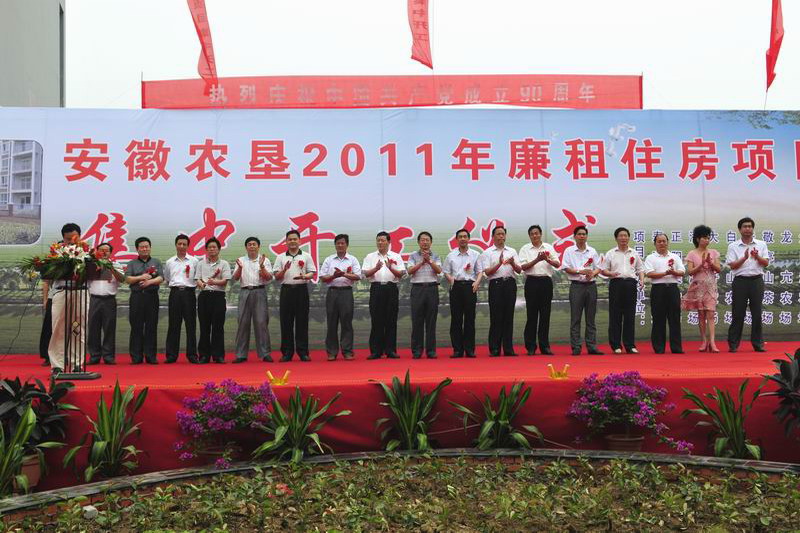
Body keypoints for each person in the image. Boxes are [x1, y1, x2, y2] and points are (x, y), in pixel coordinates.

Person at [726, 217, 769, 353]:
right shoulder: (733, 246)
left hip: (756, 281)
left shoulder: (761, 244)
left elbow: (766, 263)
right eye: (745, 226)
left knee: (757, 313)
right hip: (740, 282)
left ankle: (758, 344)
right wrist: (744, 258)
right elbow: (732, 266)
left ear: (753, 229)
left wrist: (757, 257)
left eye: (750, 226)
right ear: (740, 229)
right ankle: (733, 344)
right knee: (738, 313)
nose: (748, 229)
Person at [47, 223, 86, 374]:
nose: (71, 241)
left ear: (80, 237)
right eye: (68, 239)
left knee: (78, 328)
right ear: (63, 238)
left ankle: (77, 364)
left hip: (80, 293)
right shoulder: (56, 253)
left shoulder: (87, 252)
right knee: (58, 329)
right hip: (61, 292)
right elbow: (48, 273)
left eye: (74, 238)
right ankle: (57, 365)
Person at [478, 226, 522, 357]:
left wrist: (512, 263)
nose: (501, 236)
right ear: (493, 237)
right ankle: (495, 348)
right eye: (498, 234)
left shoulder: (512, 251)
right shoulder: (487, 252)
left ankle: (508, 349)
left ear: (505, 236)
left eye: (503, 234)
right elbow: (487, 272)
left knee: (509, 316)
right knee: (496, 317)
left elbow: (519, 270)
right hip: (496, 285)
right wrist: (499, 263)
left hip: (510, 284)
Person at [273, 230, 316, 362]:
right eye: (290, 239)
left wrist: (305, 276)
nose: (292, 241)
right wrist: (284, 270)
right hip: (286, 291)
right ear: (286, 242)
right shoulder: (280, 257)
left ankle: (303, 352)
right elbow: (277, 276)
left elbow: (312, 272)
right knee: (286, 322)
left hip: (301, 290)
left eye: (295, 239)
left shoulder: (306, 256)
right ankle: (287, 352)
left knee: (302, 321)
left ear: (299, 241)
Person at [362, 231, 406, 359]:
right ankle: (376, 351)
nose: (380, 242)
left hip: (391, 288)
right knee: (376, 320)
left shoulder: (396, 256)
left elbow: (401, 274)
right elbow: (365, 274)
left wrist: (390, 268)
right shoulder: (370, 256)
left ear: (389, 242)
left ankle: (390, 350)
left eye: (383, 240)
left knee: (391, 320)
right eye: (378, 240)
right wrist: (376, 268)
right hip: (376, 289)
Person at [601, 227, 645, 354]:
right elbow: (604, 270)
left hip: (631, 284)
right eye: (621, 236)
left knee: (630, 315)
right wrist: (611, 273)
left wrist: (642, 280)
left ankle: (630, 345)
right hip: (616, 284)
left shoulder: (634, 253)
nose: (623, 238)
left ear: (629, 238)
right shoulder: (611, 253)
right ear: (616, 238)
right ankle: (616, 345)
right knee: (615, 315)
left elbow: (640, 269)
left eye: (625, 235)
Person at [561, 225, 604, 356]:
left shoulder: (592, 251)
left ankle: (592, 346)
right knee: (576, 318)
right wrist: (580, 271)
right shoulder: (569, 251)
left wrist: (592, 273)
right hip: (576, 286)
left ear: (587, 236)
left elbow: (598, 267)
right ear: (574, 236)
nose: (582, 236)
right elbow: (566, 268)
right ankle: (576, 347)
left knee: (591, 318)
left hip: (591, 286)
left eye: (584, 234)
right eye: (579, 234)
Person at [518, 224, 560, 356]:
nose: (535, 235)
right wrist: (537, 259)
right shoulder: (525, 248)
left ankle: (544, 346)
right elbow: (523, 267)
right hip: (531, 282)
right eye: (532, 234)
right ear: (529, 236)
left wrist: (547, 259)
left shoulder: (548, 247)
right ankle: (530, 346)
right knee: (531, 315)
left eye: (537, 233)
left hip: (546, 282)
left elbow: (557, 264)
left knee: (545, 315)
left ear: (540, 234)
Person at [319, 234, 362, 361]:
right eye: (338, 243)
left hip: (346, 292)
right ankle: (332, 352)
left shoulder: (352, 259)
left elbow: (358, 276)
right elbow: (323, 277)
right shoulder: (329, 260)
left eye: (343, 243)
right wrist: (334, 276)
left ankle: (347, 351)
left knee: (346, 322)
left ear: (347, 245)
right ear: (335, 245)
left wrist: (344, 274)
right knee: (331, 323)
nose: (340, 245)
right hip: (332, 292)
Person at [232, 237, 273, 363]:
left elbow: (269, 278)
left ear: (258, 246)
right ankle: (241, 354)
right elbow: (235, 278)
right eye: (249, 244)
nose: (252, 246)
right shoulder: (241, 260)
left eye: (254, 244)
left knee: (261, 322)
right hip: (245, 292)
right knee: (243, 323)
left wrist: (262, 267)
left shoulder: (264, 260)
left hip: (259, 291)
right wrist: (240, 268)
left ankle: (265, 353)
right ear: (246, 247)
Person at [681, 225, 721, 352]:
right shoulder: (692, 254)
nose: (707, 240)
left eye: (708, 238)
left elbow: (719, 269)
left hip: (710, 286)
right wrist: (701, 265)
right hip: (698, 287)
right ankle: (704, 341)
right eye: (704, 237)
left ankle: (712, 342)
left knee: (711, 314)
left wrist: (711, 263)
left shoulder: (713, 252)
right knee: (701, 314)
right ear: (698, 239)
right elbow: (690, 272)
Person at [443, 228, 482, 358]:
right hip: (456, 287)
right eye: (460, 237)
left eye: (465, 236)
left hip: (470, 287)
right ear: (457, 239)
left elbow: (480, 271)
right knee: (456, 319)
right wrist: (450, 279)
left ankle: (469, 349)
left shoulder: (475, 254)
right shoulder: (451, 255)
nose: (463, 239)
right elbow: (446, 271)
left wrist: (477, 282)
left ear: (468, 239)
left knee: (470, 319)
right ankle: (457, 350)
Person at [644, 234, 685, 354]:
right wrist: (665, 273)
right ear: (655, 244)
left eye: (664, 241)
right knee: (658, 318)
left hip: (672, 288)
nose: (662, 243)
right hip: (658, 289)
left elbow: (682, 271)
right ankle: (659, 347)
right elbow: (649, 273)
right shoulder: (651, 258)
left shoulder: (674, 257)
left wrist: (674, 272)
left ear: (668, 242)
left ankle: (676, 348)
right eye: (659, 241)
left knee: (675, 318)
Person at [125, 237, 163, 364]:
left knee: (151, 326)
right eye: (142, 247)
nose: (145, 249)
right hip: (137, 297)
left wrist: (149, 282)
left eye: (147, 246)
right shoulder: (132, 263)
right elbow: (127, 279)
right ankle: (136, 357)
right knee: (136, 326)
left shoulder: (156, 262)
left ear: (150, 248)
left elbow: (161, 278)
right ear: (137, 249)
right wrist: (141, 277)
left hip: (152, 297)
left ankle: (151, 356)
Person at [86, 243, 125, 365]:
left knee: (109, 328)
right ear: (97, 251)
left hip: (109, 300)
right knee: (93, 328)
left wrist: (111, 268)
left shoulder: (116, 265)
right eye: (101, 250)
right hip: (94, 299)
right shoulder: (91, 265)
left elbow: (122, 279)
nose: (104, 252)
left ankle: (108, 356)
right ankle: (94, 356)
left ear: (110, 253)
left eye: (107, 250)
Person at [406, 231, 443, 359]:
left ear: (431, 242)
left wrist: (430, 261)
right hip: (417, 289)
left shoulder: (436, 256)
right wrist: (422, 262)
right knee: (417, 321)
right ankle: (417, 350)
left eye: (427, 240)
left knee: (431, 321)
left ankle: (431, 351)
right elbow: (410, 271)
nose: (425, 242)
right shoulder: (413, 256)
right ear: (418, 242)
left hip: (432, 289)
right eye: (422, 240)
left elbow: (439, 271)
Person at [195, 237, 231, 363]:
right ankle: (204, 355)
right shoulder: (201, 263)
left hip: (218, 296)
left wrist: (214, 282)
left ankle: (218, 355)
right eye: (209, 247)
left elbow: (225, 281)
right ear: (206, 249)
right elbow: (197, 279)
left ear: (219, 249)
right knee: (204, 327)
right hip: (204, 296)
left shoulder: (224, 264)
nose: (212, 249)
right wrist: (201, 284)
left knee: (218, 327)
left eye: (214, 247)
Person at [164, 234, 199, 364]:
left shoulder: (194, 261)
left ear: (188, 246)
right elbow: (167, 279)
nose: (182, 246)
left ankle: (192, 355)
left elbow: (197, 278)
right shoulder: (170, 262)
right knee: (174, 325)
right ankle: (171, 355)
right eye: (179, 244)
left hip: (189, 294)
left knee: (191, 325)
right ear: (176, 245)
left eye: (184, 244)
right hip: (175, 294)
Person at [39, 280, 52, 366]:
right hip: (53, 297)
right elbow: (46, 282)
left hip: (70, 296)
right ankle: (48, 356)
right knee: (49, 328)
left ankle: (65, 355)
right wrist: (45, 299)